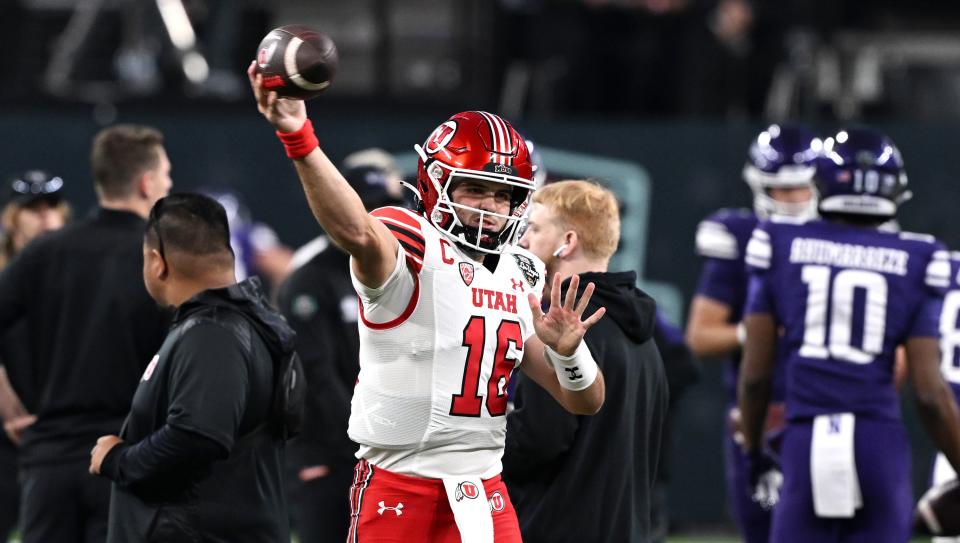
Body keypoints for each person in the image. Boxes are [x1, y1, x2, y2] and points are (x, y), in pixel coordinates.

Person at [249, 63, 606, 542]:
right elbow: (357, 230)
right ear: (438, 184)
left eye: (503, 195)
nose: (489, 206)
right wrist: (300, 138)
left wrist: (569, 353)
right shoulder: (414, 241)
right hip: (401, 486)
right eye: (475, 189)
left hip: (484, 490)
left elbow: (585, 400)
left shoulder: (523, 272)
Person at [738, 127, 960, 543]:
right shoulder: (920, 256)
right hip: (877, 442)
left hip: (803, 437)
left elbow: (754, 377)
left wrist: (753, 450)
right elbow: (930, 394)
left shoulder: (778, 243)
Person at [0, 124, 171, 543]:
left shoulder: (43, 252)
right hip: (126, 457)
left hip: (50, 461)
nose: (169, 183)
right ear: (146, 183)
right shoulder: (160, 255)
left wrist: (16, 407)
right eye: (166, 175)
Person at [89, 193, 293, 542]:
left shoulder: (213, 333)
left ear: (157, 262)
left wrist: (117, 460)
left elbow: (198, 435)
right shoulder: (246, 323)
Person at [502, 179, 668, 542]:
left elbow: (539, 440)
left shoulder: (565, 328)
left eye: (534, 228)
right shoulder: (642, 335)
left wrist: (474, 435)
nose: (524, 241)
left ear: (568, 242)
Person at [685, 122, 819, 543]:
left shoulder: (845, 236)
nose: (793, 199)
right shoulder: (740, 237)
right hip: (761, 418)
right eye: (781, 188)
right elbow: (701, 336)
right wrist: (759, 332)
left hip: (831, 413)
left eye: (801, 187)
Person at [277, 162, 403, 543]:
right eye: (363, 208)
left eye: (382, 208)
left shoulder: (401, 273)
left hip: (386, 454)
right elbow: (316, 377)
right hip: (332, 457)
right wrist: (374, 437)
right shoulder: (309, 278)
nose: (372, 220)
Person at [0, 170, 72, 541]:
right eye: (32, 208)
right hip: (7, 430)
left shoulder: (77, 274)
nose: (45, 216)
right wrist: (11, 413)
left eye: (51, 207)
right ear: (12, 218)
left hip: (62, 428)